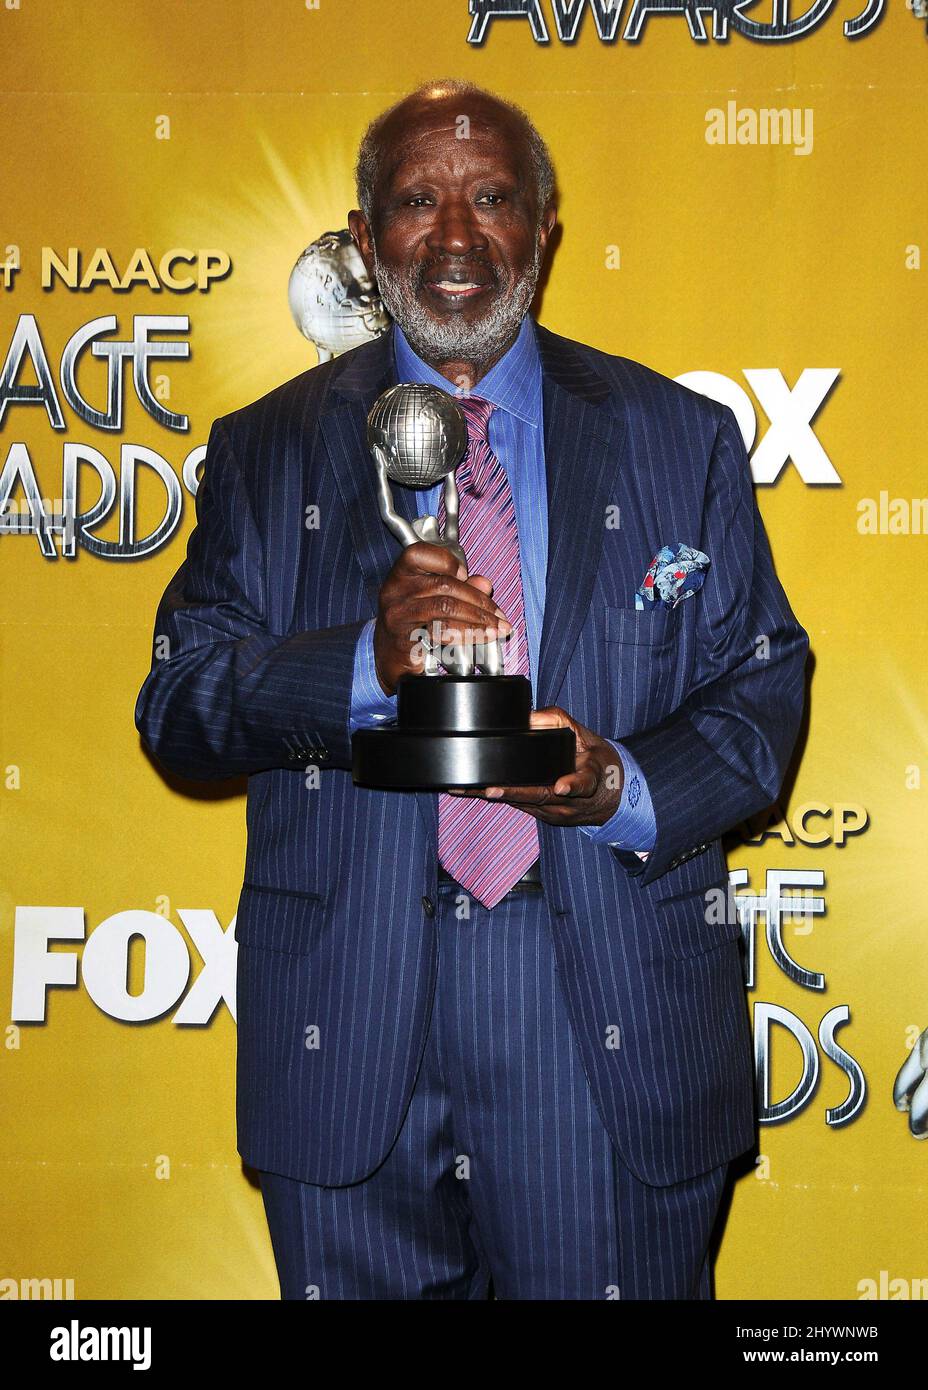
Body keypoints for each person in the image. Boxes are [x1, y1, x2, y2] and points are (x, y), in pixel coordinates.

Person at [135, 78, 809, 1300]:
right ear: (363, 232)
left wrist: (618, 782)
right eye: (416, 201)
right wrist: (355, 663)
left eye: (492, 197)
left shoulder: (679, 436)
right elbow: (179, 704)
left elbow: (761, 691)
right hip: (347, 1033)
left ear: (543, 224)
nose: (454, 237)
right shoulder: (264, 449)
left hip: (602, 1027)